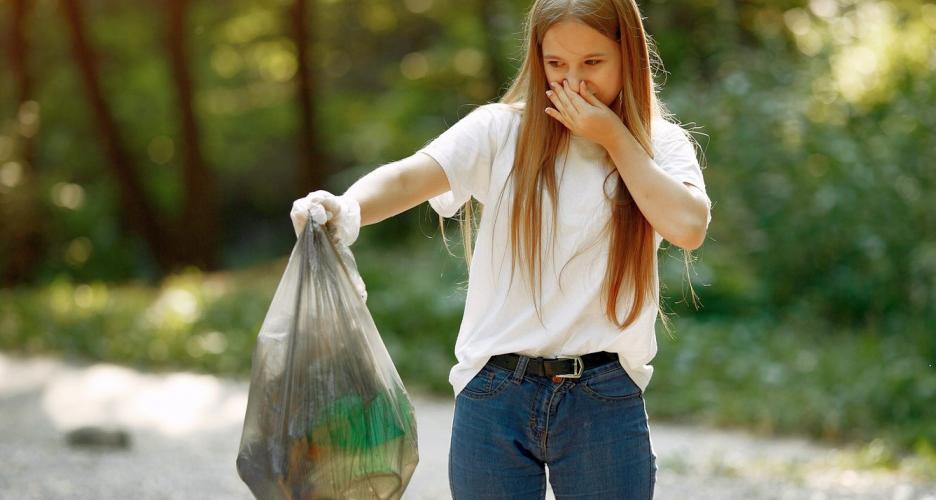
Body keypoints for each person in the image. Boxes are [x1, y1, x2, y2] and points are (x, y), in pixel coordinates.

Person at [291, 0, 712, 497]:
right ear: (537, 60)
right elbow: (412, 175)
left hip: (605, 393)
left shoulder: (659, 144)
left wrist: (615, 139)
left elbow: (688, 226)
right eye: (556, 64)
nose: (574, 82)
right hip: (494, 391)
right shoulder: (501, 130)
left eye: (593, 63)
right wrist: (346, 207)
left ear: (629, 56)